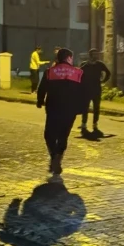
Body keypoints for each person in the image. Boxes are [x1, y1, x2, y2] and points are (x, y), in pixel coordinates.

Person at [36, 49, 84, 181]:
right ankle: (58, 156)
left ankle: (53, 155)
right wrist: (81, 108)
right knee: (63, 135)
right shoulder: (78, 73)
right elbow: (83, 93)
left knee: (49, 134)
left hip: (53, 108)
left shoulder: (49, 72)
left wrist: (40, 101)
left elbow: (42, 89)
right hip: (70, 110)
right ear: (69, 58)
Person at [78, 49, 111, 135]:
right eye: (94, 54)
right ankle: (84, 124)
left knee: (96, 108)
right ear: (90, 55)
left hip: (96, 89)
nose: (95, 56)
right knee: (85, 108)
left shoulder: (100, 64)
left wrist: (103, 81)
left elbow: (108, 72)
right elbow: (78, 74)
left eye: (97, 54)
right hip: (86, 89)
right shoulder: (85, 64)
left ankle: (95, 125)